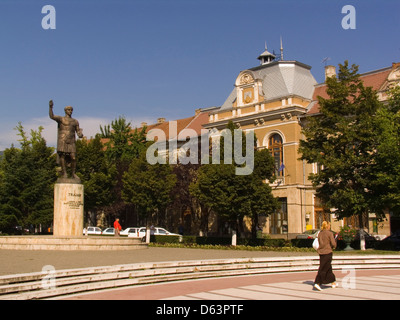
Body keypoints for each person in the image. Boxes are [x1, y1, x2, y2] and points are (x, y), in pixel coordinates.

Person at [49, 100, 83, 181]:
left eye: (71, 110)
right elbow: (52, 116)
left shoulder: (75, 121)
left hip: (71, 141)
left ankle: (73, 173)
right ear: (65, 111)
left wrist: (80, 134)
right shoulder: (61, 119)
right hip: (63, 140)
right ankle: (64, 173)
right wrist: (50, 107)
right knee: (63, 156)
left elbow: (78, 131)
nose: (70, 111)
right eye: (69, 110)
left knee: (73, 157)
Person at [314, 221, 337, 291]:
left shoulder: (320, 233)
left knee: (328, 267)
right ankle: (317, 283)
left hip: (321, 252)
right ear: (328, 226)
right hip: (328, 252)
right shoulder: (330, 233)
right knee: (323, 268)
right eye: (329, 225)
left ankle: (333, 282)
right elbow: (333, 244)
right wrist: (334, 246)